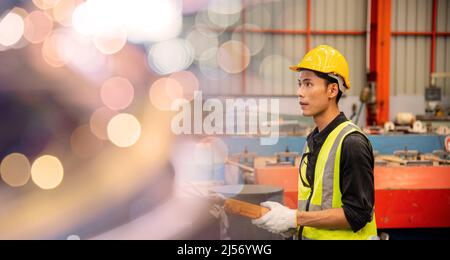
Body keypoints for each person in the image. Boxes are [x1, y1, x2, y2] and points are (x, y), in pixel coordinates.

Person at [252, 45, 377, 240]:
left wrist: (295, 218)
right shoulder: (314, 138)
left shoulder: (351, 143)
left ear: (332, 89)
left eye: (308, 84)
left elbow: (358, 214)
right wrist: (291, 224)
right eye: (299, 83)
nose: (300, 92)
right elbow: (317, 204)